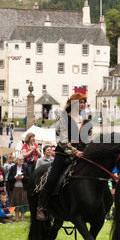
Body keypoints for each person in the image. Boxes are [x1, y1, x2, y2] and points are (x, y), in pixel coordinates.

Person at [36, 92, 92, 220]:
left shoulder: (86, 120)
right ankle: (41, 206)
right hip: (63, 154)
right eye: (80, 102)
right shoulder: (63, 119)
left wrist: (89, 151)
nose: (83, 105)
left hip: (82, 155)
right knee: (51, 179)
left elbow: (89, 140)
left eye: (84, 102)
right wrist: (75, 152)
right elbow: (62, 141)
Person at [8, 155, 30, 222]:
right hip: (15, 188)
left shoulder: (26, 168)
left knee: (23, 201)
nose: (21, 161)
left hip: (23, 188)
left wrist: (23, 177)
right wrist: (14, 177)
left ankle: (22, 218)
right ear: (16, 161)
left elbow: (30, 178)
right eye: (20, 159)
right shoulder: (13, 168)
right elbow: (9, 178)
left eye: (22, 159)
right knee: (16, 202)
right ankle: (17, 217)